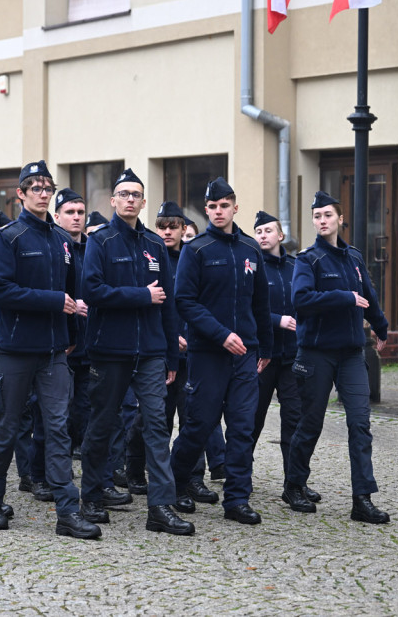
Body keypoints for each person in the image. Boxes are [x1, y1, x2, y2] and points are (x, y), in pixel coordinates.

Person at [0, 161, 99, 539]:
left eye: (48, 187)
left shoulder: (61, 239)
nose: (43, 193)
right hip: (13, 348)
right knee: (7, 427)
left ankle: (67, 511)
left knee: (59, 430)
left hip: (53, 351)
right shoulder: (8, 238)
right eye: (35, 187)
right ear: (21, 194)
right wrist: (53, 302)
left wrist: (69, 332)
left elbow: (72, 293)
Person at [80, 168, 194, 535]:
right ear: (113, 201)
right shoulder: (100, 241)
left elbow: (169, 304)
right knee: (102, 424)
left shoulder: (155, 245)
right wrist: (140, 295)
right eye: (123, 194)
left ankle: (160, 507)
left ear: (144, 202)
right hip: (109, 350)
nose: (130, 199)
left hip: (150, 352)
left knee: (158, 427)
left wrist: (171, 357)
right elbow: (92, 291)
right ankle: (92, 496)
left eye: (136, 194)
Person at [171, 178, 273, 526]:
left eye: (224, 205)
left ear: (235, 207)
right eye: (212, 207)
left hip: (245, 353)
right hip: (207, 353)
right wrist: (220, 334)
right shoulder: (196, 249)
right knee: (198, 426)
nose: (218, 211)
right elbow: (184, 301)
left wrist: (266, 346)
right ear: (206, 209)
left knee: (243, 427)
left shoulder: (250, 248)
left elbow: (260, 303)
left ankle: (237, 499)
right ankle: (176, 482)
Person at [285, 191, 390, 524]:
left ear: (340, 219)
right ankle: (294, 484)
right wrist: (342, 297)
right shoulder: (308, 260)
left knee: (360, 424)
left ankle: (362, 499)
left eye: (328, 215)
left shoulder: (354, 258)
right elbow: (301, 299)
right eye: (317, 216)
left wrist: (381, 327)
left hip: (350, 354)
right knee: (311, 422)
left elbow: (368, 296)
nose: (322, 221)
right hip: (316, 354)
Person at [154, 200, 223, 502]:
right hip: (161, 352)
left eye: (173, 226)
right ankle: (158, 479)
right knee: (159, 421)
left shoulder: (196, 256)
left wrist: (188, 335)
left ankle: (192, 479)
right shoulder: (152, 258)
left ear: (184, 229)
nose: (168, 232)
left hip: (194, 350)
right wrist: (170, 338)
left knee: (195, 419)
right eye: (162, 226)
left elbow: (201, 304)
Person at [252, 210, 321, 504]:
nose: (264, 235)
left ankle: (295, 483)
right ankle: (239, 477)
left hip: (293, 357)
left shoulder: (297, 267)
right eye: (259, 232)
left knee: (294, 420)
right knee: (251, 420)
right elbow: (245, 309)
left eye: (269, 230)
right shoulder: (251, 267)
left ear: (281, 236)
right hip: (262, 357)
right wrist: (277, 320)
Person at [53, 188, 90, 464]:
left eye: (80, 212)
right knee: (57, 412)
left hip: (90, 343)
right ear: (57, 216)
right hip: (59, 343)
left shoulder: (94, 249)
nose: (76, 218)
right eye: (70, 212)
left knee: (87, 408)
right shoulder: (53, 246)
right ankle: (48, 471)